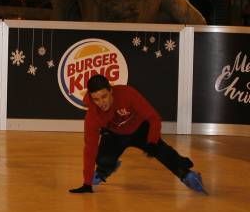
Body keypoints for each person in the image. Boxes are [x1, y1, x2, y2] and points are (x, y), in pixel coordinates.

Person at [69, 74, 207, 194]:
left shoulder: (127, 94)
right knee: (102, 159)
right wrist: (87, 183)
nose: (101, 103)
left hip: (139, 129)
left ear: (111, 91)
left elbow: (154, 117)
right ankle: (103, 171)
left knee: (161, 151)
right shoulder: (93, 115)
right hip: (115, 135)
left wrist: (152, 141)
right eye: (96, 99)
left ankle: (188, 175)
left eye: (104, 96)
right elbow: (89, 149)